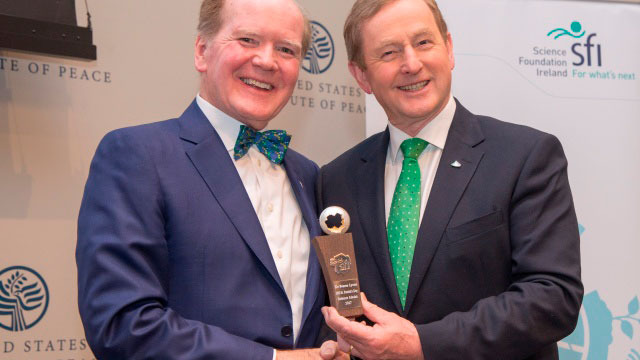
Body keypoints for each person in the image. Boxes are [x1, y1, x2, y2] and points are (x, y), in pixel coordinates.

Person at [316, 0, 583, 359]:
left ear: (450, 49)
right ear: (361, 75)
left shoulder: (526, 156)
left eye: (424, 43)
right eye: (389, 52)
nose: (412, 64)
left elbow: (553, 296)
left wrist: (422, 344)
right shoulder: (336, 179)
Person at [76, 0, 343, 358]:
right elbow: (122, 324)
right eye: (248, 40)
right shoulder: (137, 155)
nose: (267, 60)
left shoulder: (307, 173)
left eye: (286, 49)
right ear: (202, 51)